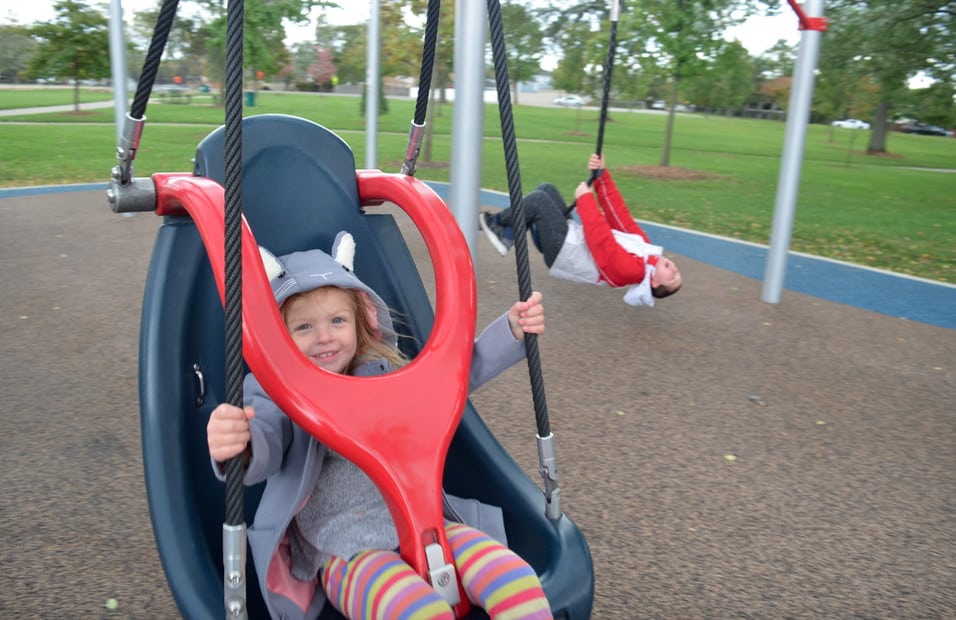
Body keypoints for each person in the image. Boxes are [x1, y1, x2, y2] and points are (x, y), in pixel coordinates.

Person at [207, 232, 553, 620]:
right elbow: (267, 438)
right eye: (303, 327)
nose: (324, 337)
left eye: (337, 320)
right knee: (415, 610)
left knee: (515, 578)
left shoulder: (382, 375)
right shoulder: (275, 393)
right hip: (344, 551)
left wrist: (509, 333)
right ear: (279, 338)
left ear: (360, 322)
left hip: (424, 525)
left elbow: (449, 382)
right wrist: (242, 441)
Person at [479, 154, 682, 307]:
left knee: (539, 202)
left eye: (671, 277)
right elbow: (620, 216)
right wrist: (602, 176)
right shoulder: (645, 250)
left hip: (564, 253)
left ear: (654, 282)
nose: (674, 269)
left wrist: (586, 200)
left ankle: (497, 225)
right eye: (677, 271)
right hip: (570, 238)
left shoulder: (631, 272)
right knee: (546, 189)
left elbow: (602, 244)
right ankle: (507, 234)